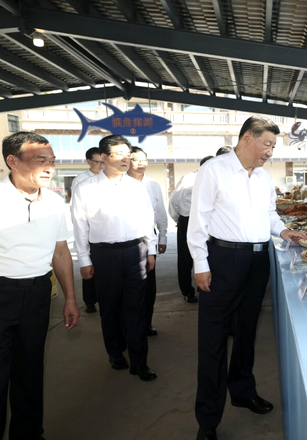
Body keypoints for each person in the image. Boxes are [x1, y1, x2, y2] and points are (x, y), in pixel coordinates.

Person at [187, 117, 306, 440]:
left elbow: (269, 214)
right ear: (245, 139)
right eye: (266, 144)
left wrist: (283, 230)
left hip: (257, 260)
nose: (270, 152)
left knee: (246, 331)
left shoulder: (264, 177)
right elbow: (198, 220)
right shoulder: (214, 170)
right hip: (223, 260)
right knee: (213, 340)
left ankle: (242, 390)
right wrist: (201, 262)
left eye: (273, 146)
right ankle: (208, 418)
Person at [0, 132, 79, 440]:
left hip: (36, 294)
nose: (49, 168)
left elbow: (60, 252)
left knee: (30, 371)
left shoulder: (56, 202)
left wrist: (71, 299)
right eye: (40, 161)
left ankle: (29, 433)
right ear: (12, 161)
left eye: (52, 161)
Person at [71, 135, 158, 381]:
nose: (125, 159)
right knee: (109, 307)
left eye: (127, 154)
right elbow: (80, 225)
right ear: (105, 157)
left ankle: (139, 361)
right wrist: (85, 260)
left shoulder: (136, 187)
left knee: (136, 307)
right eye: (119, 154)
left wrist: (150, 250)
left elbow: (147, 219)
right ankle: (115, 352)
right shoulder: (86, 187)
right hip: (104, 254)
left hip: (135, 252)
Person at [168, 149, 231, 304]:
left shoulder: (221, 177)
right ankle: (187, 291)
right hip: (188, 220)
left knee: (208, 255)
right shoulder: (189, 178)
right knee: (186, 258)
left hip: (210, 222)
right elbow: (174, 201)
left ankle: (204, 285)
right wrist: (180, 220)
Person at [128, 146, 168, 337]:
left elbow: (160, 211)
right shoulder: (120, 184)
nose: (141, 163)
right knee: (128, 289)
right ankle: (129, 326)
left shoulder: (152, 184)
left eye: (144, 159)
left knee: (148, 287)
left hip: (148, 239)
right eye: (136, 159)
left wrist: (163, 236)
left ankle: (146, 323)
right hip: (126, 239)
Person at [70, 147, 105, 314]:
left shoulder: (109, 179)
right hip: (89, 231)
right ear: (88, 161)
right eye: (97, 162)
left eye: (102, 162)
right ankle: (90, 301)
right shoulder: (80, 181)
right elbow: (77, 211)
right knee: (89, 265)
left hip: (104, 231)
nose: (100, 165)